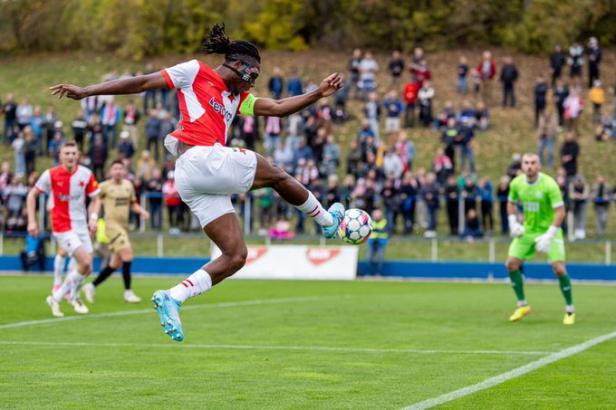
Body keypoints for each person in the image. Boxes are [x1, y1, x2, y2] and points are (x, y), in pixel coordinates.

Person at [49, 24, 347, 342]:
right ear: (240, 65)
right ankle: (329, 222)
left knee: (236, 255)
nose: (255, 79)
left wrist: (318, 93)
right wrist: (86, 91)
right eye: (254, 73)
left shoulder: (237, 97)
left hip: (197, 177)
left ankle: (173, 297)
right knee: (274, 172)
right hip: (200, 159)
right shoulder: (194, 71)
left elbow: (277, 108)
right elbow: (141, 82)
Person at [26, 142, 101, 317]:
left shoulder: (86, 174)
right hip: (62, 226)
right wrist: (31, 221)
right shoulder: (51, 174)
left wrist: (93, 218)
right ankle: (59, 296)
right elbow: (32, 195)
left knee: (88, 267)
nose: (70, 156)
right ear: (60, 156)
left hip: (81, 225)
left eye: (73, 153)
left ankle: (69, 295)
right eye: (66, 153)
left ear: (78, 155)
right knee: (84, 261)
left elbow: (96, 198)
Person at [505, 153, 574, 325]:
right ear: (521, 166)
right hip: (528, 230)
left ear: (539, 166)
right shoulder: (516, 183)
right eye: (526, 163)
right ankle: (522, 305)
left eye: (533, 163)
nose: (529, 166)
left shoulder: (549, 184)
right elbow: (511, 202)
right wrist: (513, 223)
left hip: (551, 229)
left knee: (558, 268)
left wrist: (549, 236)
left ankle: (570, 310)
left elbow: (560, 212)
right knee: (511, 263)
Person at [83, 160, 150, 304]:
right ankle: (128, 292)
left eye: (121, 168)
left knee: (115, 263)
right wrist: (92, 218)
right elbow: (94, 201)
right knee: (128, 253)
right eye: (115, 168)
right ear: (110, 171)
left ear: (125, 171)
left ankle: (91, 286)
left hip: (123, 227)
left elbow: (133, 204)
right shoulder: (104, 186)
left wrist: (142, 212)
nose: (118, 171)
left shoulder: (128, 186)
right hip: (111, 226)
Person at [366, 209, 388, 275]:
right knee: (368, 258)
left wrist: (376, 229)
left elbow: (385, 230)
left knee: (379, 258)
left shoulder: (385, 222)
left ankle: (379, 273)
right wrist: (378, 230)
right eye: (375, 215)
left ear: (381, 216)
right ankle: (368, 273)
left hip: (381, 242)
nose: (377, 217)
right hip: (371, 242)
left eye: (378, 216)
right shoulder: (371, 222)